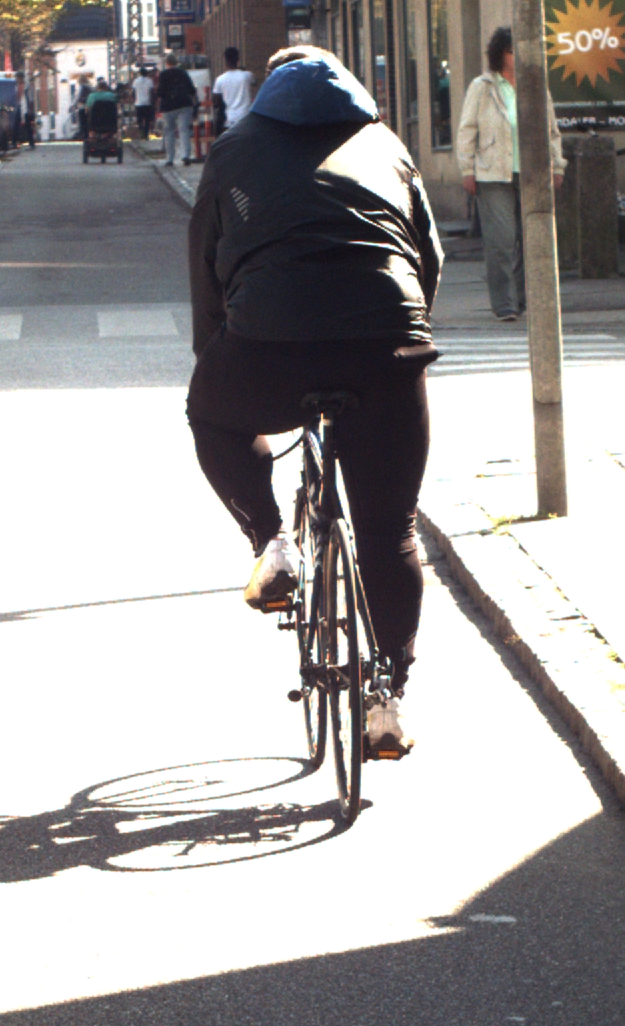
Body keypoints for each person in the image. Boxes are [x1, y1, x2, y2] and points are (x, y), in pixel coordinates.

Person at [187, 46, 442, 757]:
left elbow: (205, 266)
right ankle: (388, 698)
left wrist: (217, 357)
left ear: (269, 88)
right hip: (386, 348)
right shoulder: (386, 145)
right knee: (391, 531)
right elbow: (428, 256)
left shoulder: (235, 149)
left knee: (210, 415)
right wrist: (408, 334)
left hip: (269, 345)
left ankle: (273, 544)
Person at [455, 28, 565, 322]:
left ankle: (523, 298)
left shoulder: (536, 86)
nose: (518, 57)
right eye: (512, 51)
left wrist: (556, 166)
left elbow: (551, 130)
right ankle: (504, 303)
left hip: (531, 174)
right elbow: (467, 130)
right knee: (502, 241)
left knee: (532, 240)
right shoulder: (482, 87)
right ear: (500, 54)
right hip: (493, 175)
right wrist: (467, 169)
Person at [156, 51, 197, 166]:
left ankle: (170, 158)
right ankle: (186, 155)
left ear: (167, 63)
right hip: (184, 104)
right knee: (184, 130)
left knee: (169, 131)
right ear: (176, 62)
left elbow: (160, 91)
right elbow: (191, 89)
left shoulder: (163, 74)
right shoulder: (183, 72)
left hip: (168, 106)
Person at [211, 46, 256, 134]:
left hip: (230, 118)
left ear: (225, 60)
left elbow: (216, 101)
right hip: (246, 116)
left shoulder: (220, 79)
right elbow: (255, 83)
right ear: (238, 59)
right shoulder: (247, 75)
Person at [132, 65, 156, 140]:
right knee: (147, 120)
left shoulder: (135, 81)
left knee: (140, 120)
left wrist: (134, 100)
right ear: (146, 73)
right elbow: (152, 92)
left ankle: (141, 134)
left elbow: (133, 92)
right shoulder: (150, 81)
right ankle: (146, 135)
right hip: (147, 103)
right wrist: (153, 102)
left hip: (138, 103)